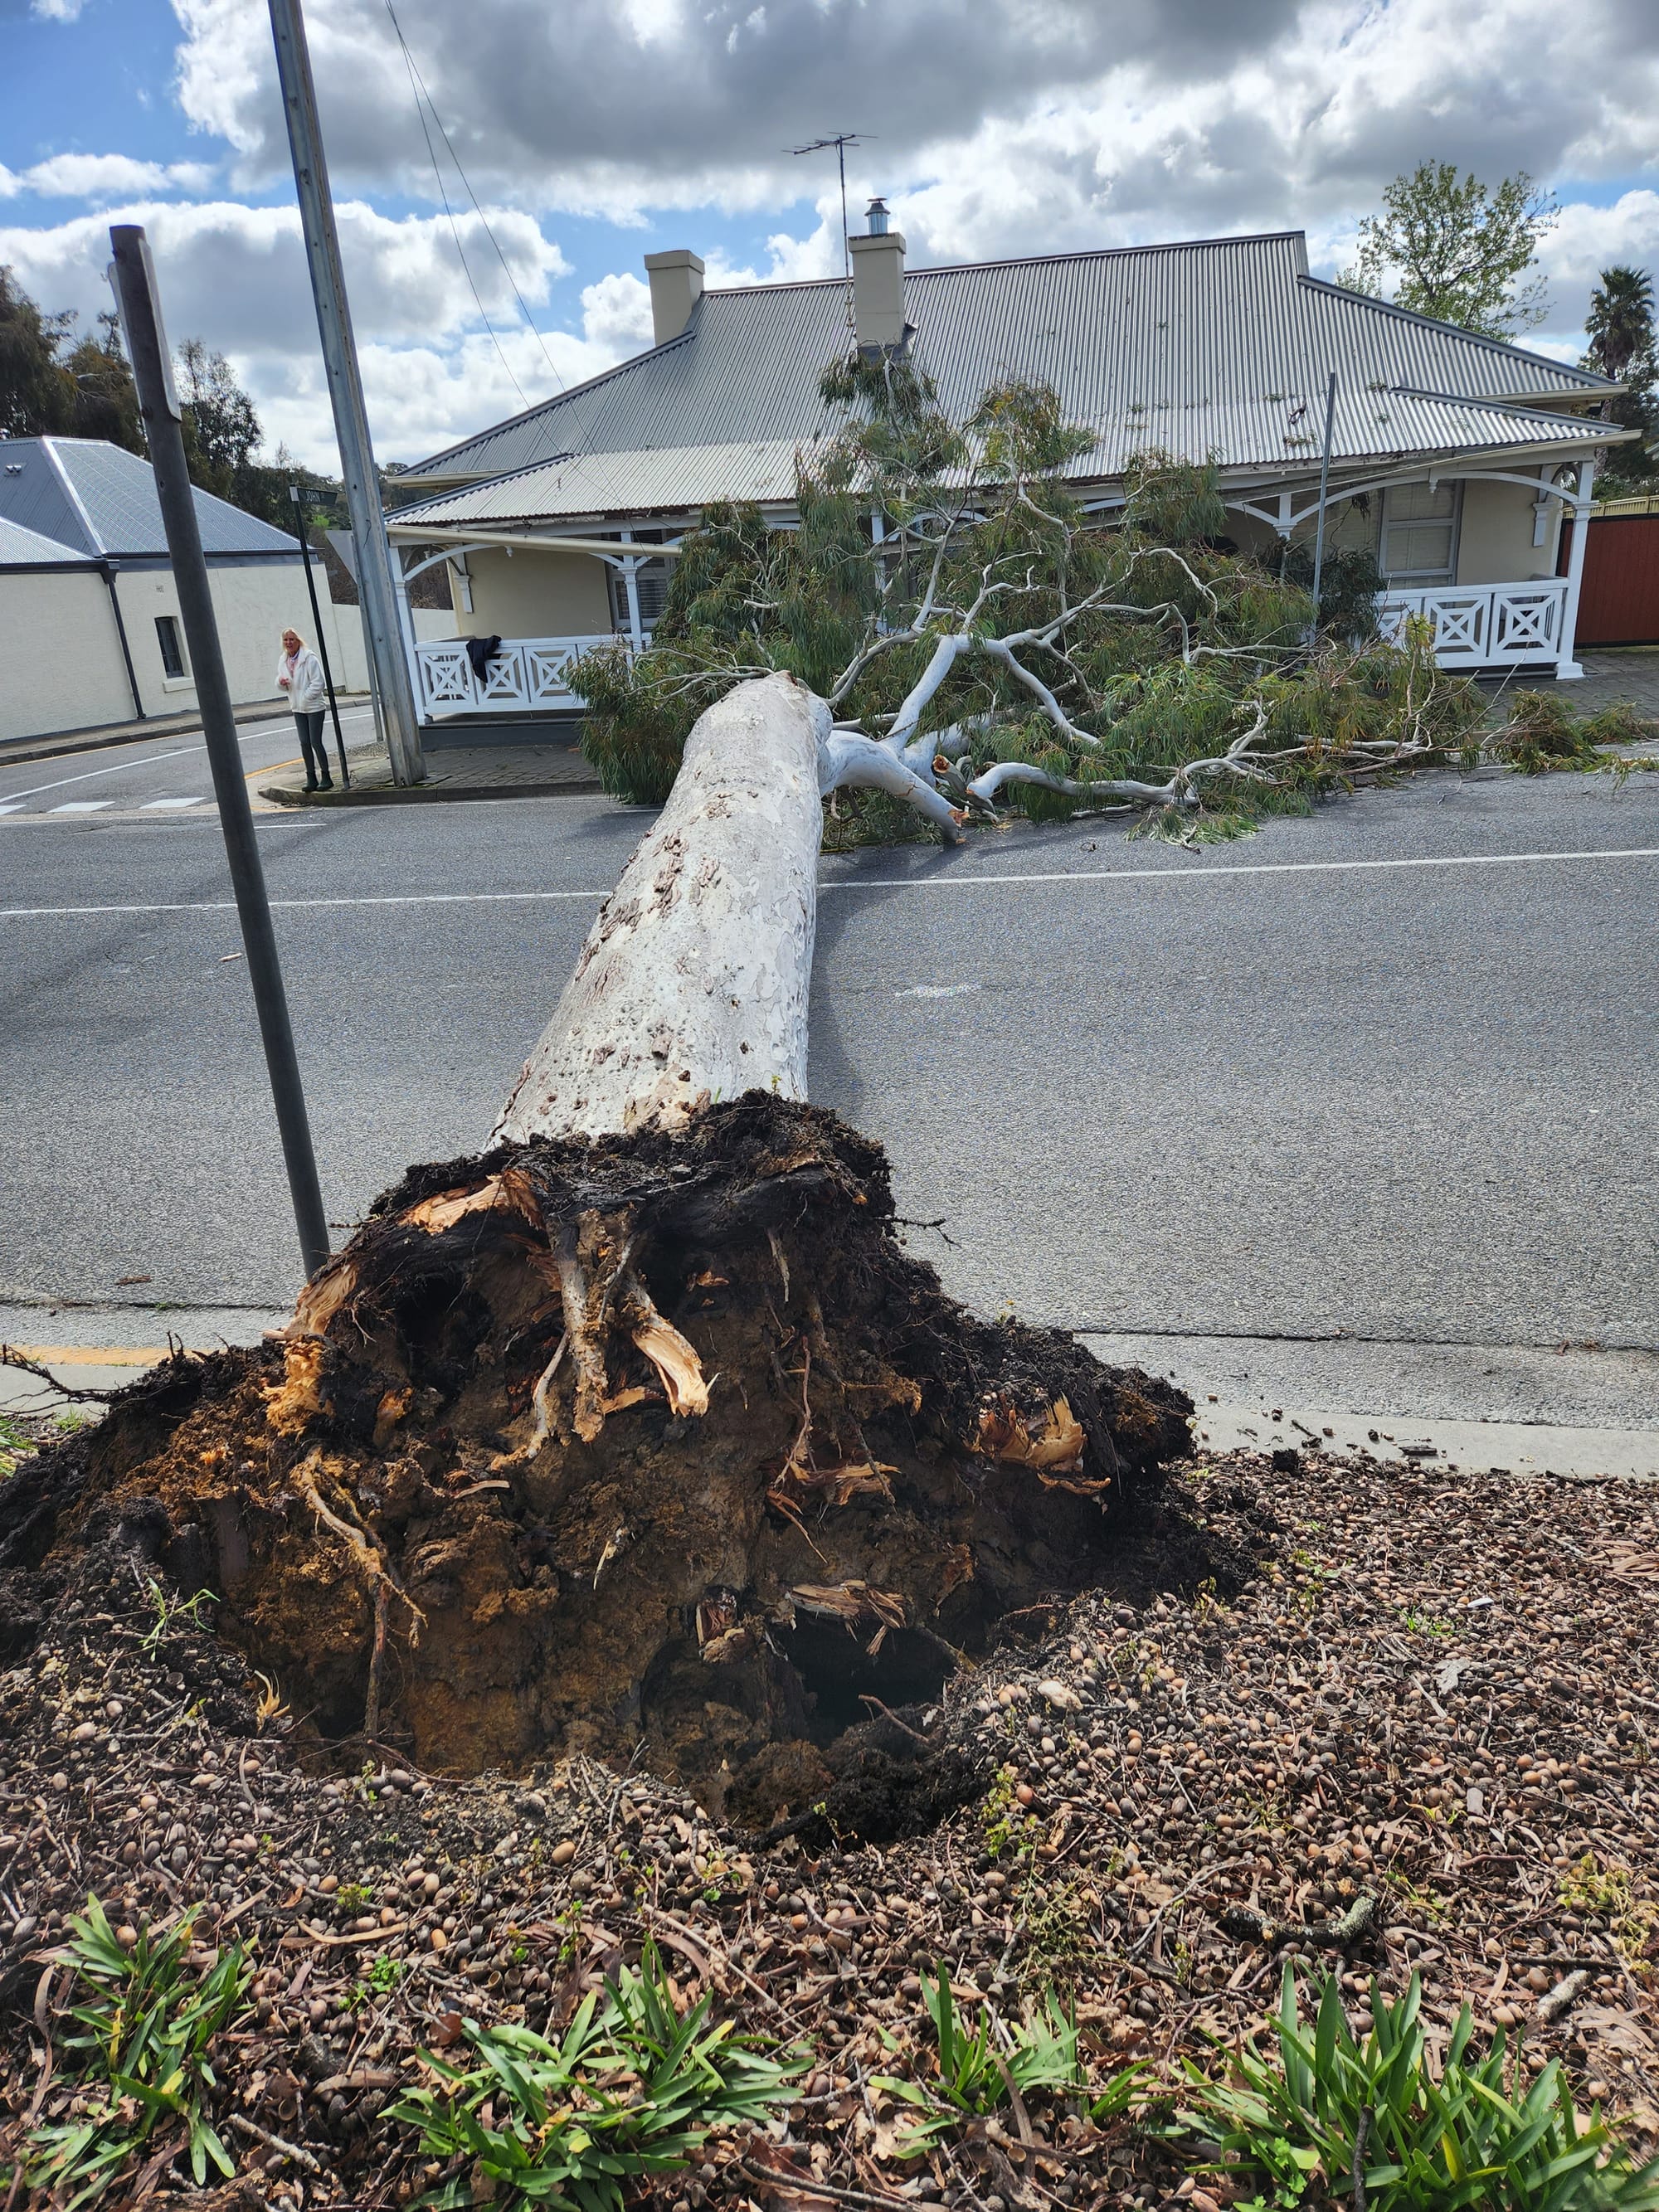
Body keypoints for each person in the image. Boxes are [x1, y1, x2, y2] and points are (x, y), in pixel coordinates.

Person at [275, 628, 333, 790]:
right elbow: (279, 679)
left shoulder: (309, 658)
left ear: (298, 640)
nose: (289, 643)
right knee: (304, 743)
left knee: (315, 742)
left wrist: (306, 697)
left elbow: (318, 682)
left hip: (314, 707)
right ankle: (311, 778)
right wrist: (281, 682)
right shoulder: (283, 659)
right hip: (297, 708)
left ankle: (326, 777)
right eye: (286, 640)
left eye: (292, 639)